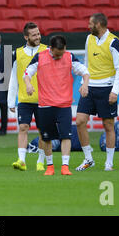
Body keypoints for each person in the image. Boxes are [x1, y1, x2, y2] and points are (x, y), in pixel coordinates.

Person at [24, 35, 90, 176]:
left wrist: (85, 84)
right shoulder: (40, 57)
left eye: (62, 52)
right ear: (51, 49)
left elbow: (85, 71)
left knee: (65, 136)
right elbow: (27, 73)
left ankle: (65, 166)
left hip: (64, 105)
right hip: (45, 105)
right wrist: (28, 84)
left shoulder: (69, 57)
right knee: (46, 137)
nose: (60, 56)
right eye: (57, 54)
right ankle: (50, 166)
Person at [75, 13, 119, 172]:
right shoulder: (89, 38)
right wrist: (84, 83)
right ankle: (88, 158)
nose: (88, 26)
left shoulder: (113, 42)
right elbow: (86, 64)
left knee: (108, 125)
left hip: (107, 88)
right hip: (90, 87)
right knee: (80, 121)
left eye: (91, 23)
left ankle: (109, 163)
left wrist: (115, 91)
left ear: (99, 24)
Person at [8, 22, 48, 171]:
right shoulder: (17, 53)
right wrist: (11, 100)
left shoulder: (47, 51)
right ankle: (22, 160)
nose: (38, 37)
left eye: (38, 34)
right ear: (26, 37)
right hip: (24, 99)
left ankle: (40, 161)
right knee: (23, 127)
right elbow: (13, 77)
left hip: (43, 99)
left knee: (43, 131)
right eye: (34, 35)